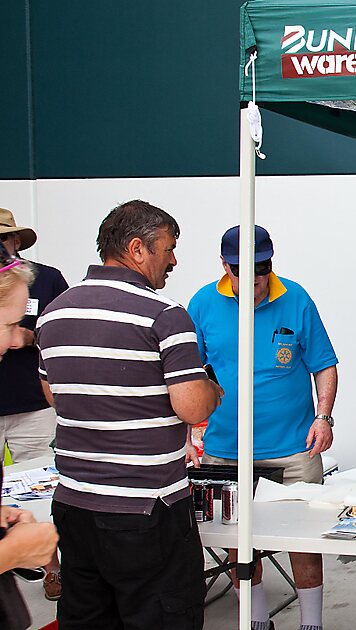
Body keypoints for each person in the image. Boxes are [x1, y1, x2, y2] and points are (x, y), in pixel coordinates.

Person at [37, 200, 221, 629]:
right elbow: (192, 407)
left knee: (89, 618)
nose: (173, 260)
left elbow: (54, 396)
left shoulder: (55, 311)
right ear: (137, 249)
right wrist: (212, 389)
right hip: (146, 507)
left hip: (74, 504)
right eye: (168, 248)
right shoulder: (164, 314)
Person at [189, 225, 338, 630]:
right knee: (240, 545)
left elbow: (324, 364)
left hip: (293, 448)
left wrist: (323, 416)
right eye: (242, 270)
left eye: (262, 268)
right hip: (225, 448)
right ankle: (257, 622)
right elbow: (188, 375)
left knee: (304, 541)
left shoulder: (296, 298)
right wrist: (190, 432)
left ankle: (312, 624)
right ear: (224, 266)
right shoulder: (202, 304)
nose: (253, 278)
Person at [0, 209, 68, 601]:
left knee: (43, 492)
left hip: (31, 406)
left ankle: (52, 568)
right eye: (6, 326)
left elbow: (62, 333)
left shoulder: (48, 279)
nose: (13, 340)